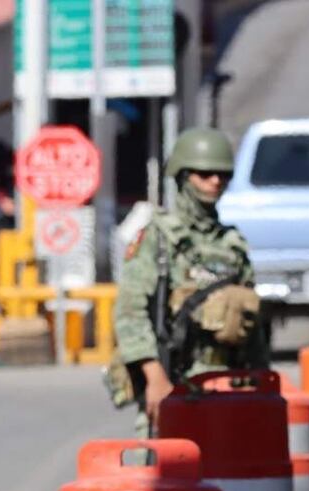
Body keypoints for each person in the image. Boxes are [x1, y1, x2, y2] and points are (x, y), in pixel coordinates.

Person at [112, 127, 266, 435]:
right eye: (204, 173)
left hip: (228, 386)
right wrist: (155, 378)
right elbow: (131, 313)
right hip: (175, 381)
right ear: (183, 175)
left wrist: (259, 382)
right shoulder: (158, 238)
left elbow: (253, 327)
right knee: (167, 471)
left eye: (222, 175)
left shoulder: (232, 245)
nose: (215, 182)